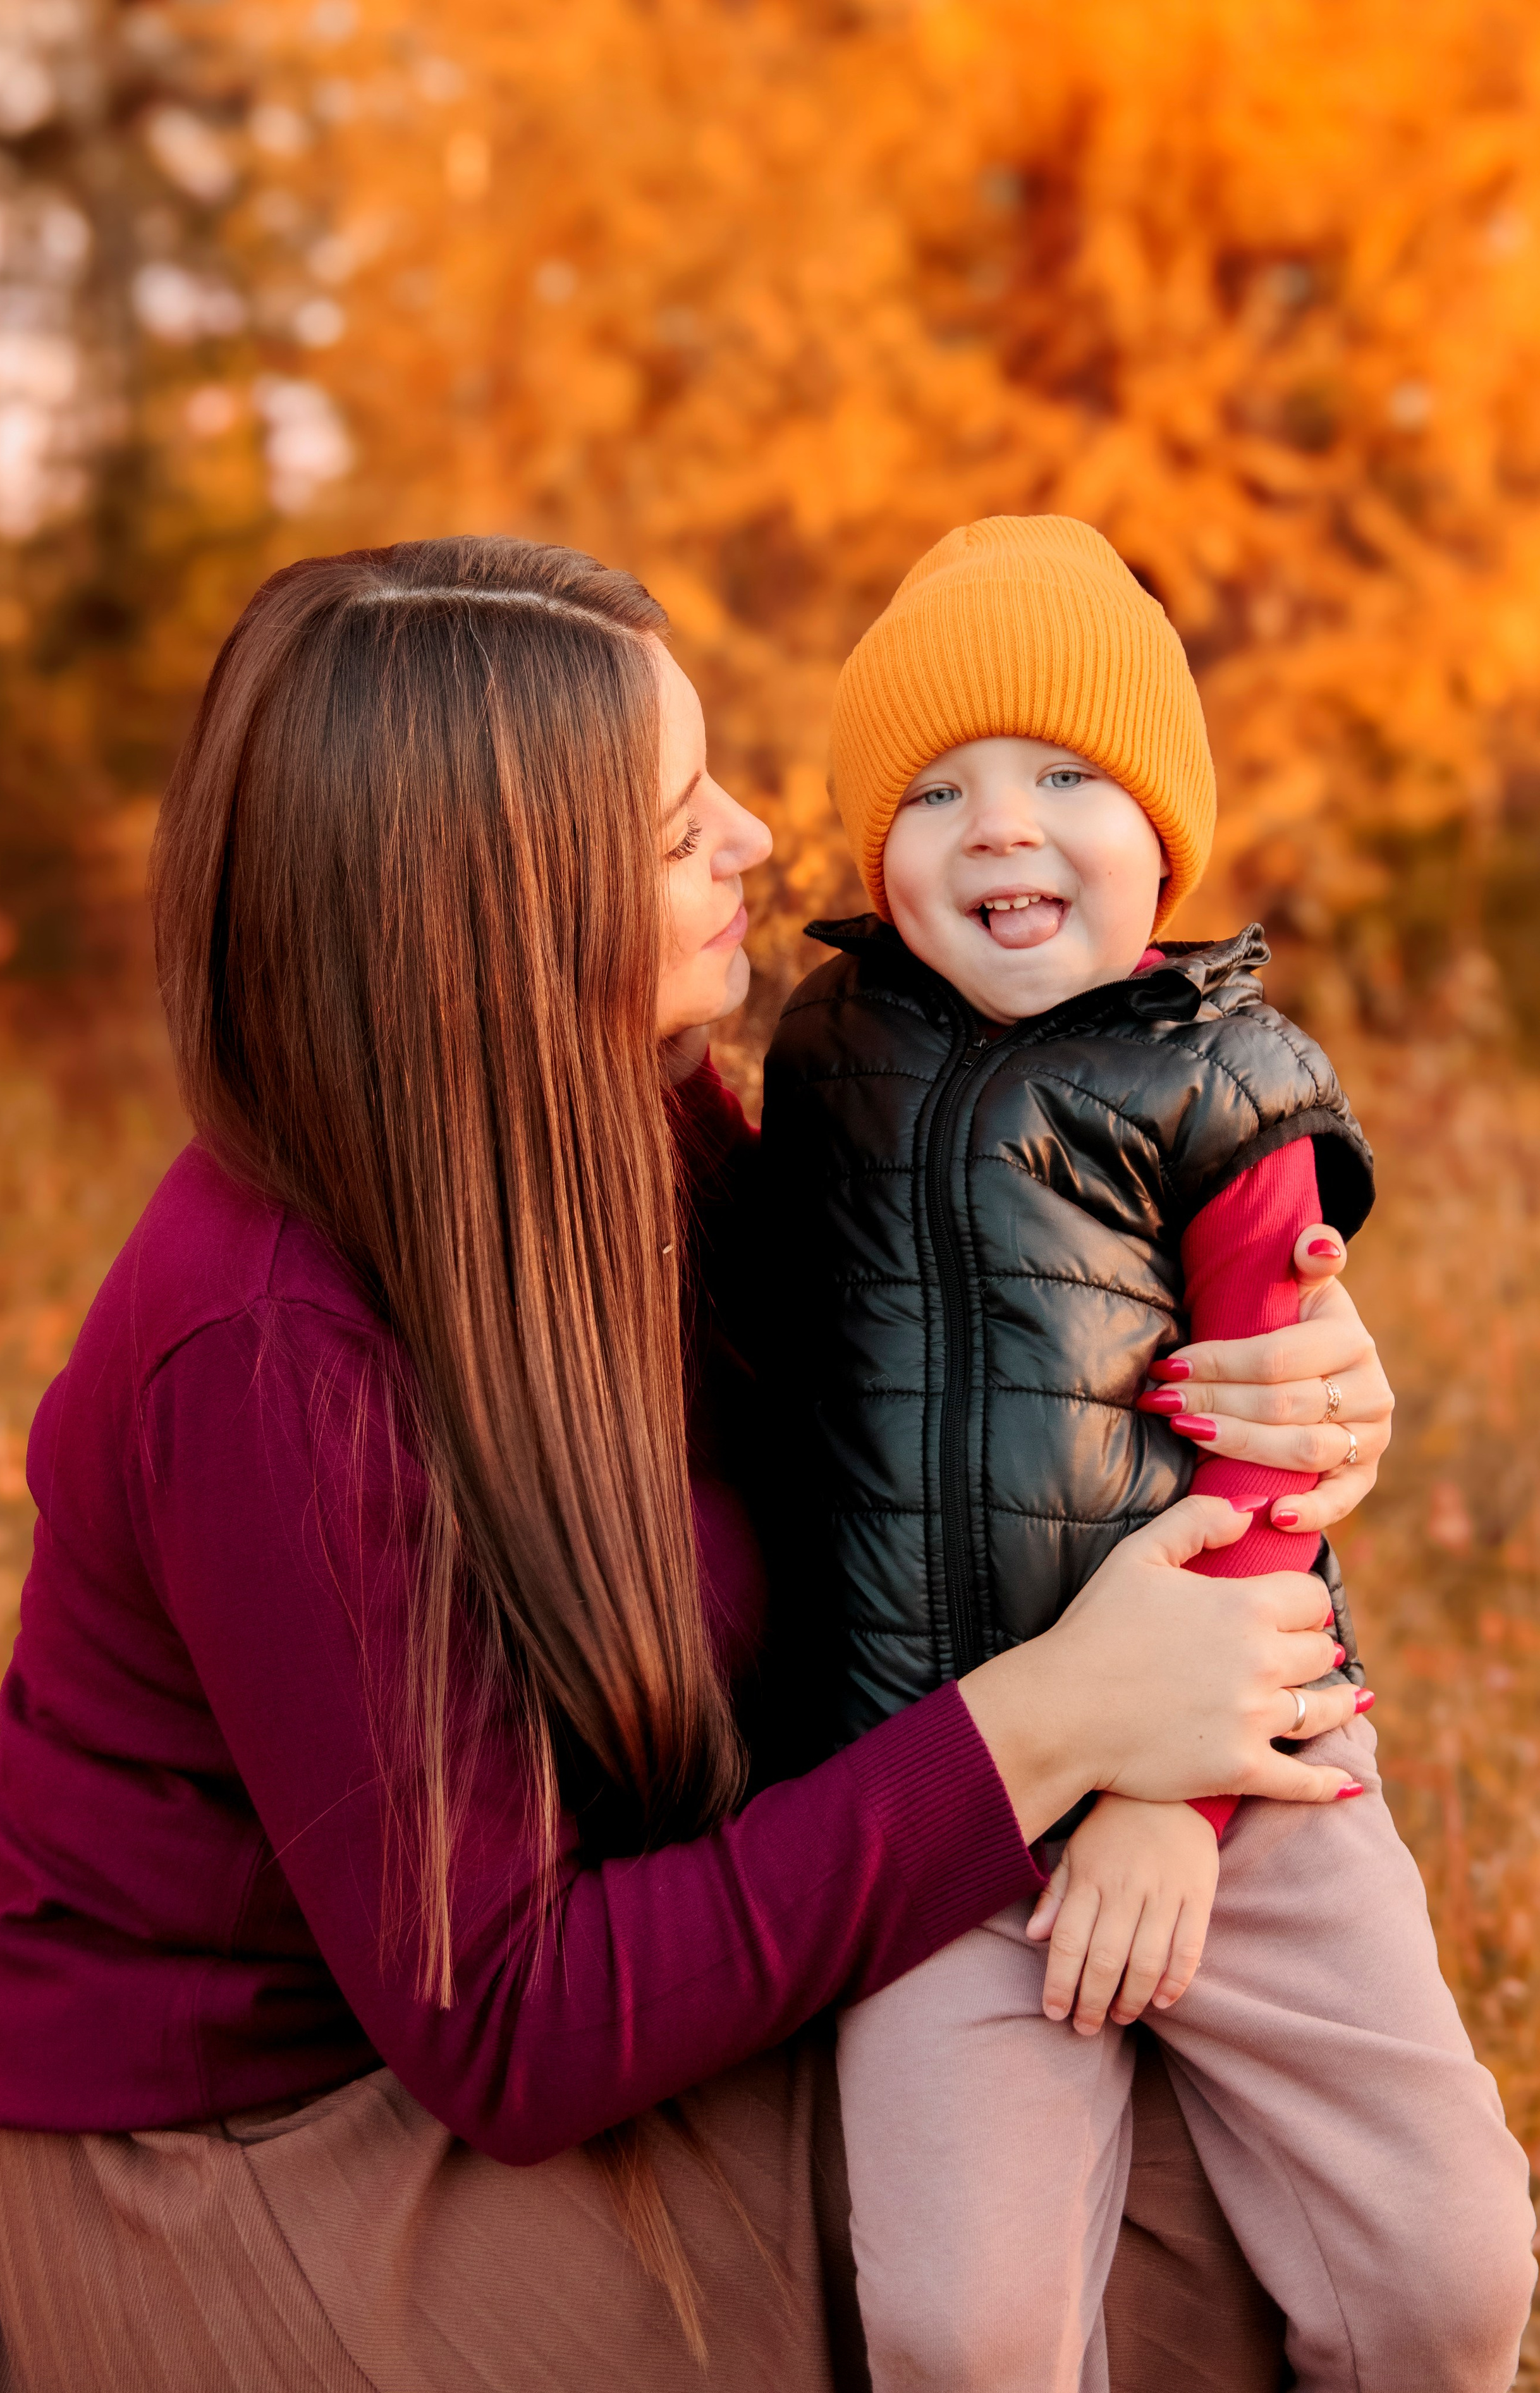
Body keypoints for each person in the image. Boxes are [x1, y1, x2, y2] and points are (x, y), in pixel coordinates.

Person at [0, 535, 1395, 2393]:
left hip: (575, 1995)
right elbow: (513, 2026)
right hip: (271, 2162)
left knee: (1257, 2175)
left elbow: (925, 1408)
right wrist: (1055, 1720)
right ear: (492, 916)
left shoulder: (630, 1110)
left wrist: (1268, 1371)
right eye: (667, 820)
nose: (758, 837)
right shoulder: (267, 1355)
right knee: (1138, 2260)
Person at [760, 514, 1537, 2393]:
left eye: (1063, 775)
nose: (1000, 826)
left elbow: (1278, 1464)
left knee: (1450, 2263)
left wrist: (1166, 1809)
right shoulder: (823, 1054)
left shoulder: (1228, 1076)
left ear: (1167, 832)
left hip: (1241, 1758)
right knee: (962, 2327)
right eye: (933, 792)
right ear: (875, 855)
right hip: (937, 1772)